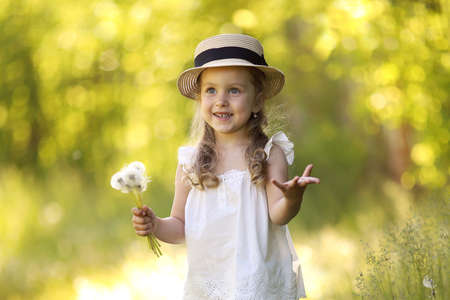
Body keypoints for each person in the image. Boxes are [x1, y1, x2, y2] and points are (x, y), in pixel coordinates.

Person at [131, 33, 320, 299]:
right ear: (200, 99)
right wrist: (156, 225)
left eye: (234, 90)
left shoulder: (269, 153)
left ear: (257, 100)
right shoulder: (191, 162)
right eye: (211, 90)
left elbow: (279, 215)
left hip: (257, 282)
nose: (221, 100)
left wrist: (292, 199)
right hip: (210, 284)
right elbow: (180, 225)